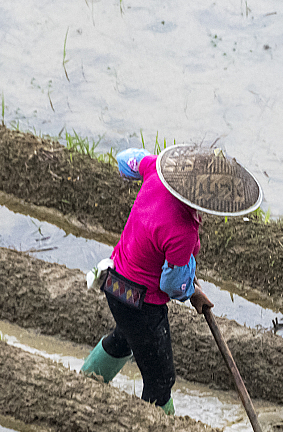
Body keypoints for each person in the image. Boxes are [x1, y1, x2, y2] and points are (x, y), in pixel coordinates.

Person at [80, 143, 262, 413]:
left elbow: (124, 161)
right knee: (160, 380)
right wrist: (190, 290)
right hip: (142, 303)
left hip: (114, 283)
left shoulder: (154, 170)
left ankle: (82, 386)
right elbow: (172, 284)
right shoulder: (183, 231)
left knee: (125, 338)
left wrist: (143, 164)